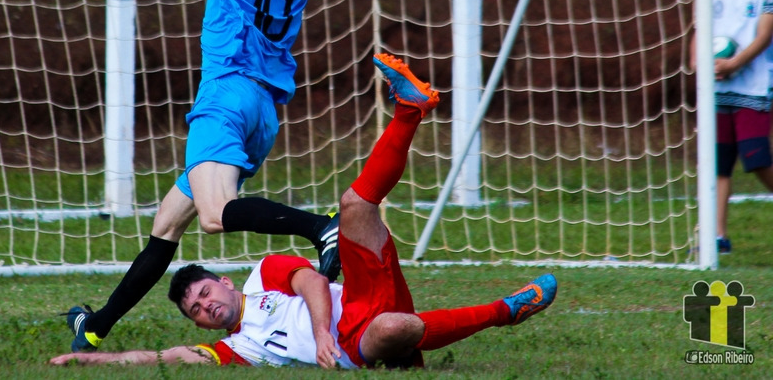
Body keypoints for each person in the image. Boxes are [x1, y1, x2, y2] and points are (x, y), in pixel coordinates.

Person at [63, 0, 383, 353]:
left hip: (227, 96)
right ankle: (97, 325)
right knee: (168, 223)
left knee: (215, 214)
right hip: (263, 112)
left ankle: (322, 229)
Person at [51, 52, 557, 369]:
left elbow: (313, 282)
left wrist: (319, 335)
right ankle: (506, 312)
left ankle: (409, 109)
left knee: (354, 204)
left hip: (356, 297)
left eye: (204, 293)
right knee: (393, 329)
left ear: (223, 281)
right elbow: (168, 357)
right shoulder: (237, 350)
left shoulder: (263, 275)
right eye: (196, 312)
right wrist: (94, 361)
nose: (205, 307)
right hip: (360, 340)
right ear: (201, 326)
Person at [691, 0, 773, 255]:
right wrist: (698, 64)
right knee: (718, 162)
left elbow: (765, 34)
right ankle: (717, 236)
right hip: (718, 87)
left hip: (753, 85)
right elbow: (700, 30)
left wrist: (735, 63)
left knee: (756, 156)